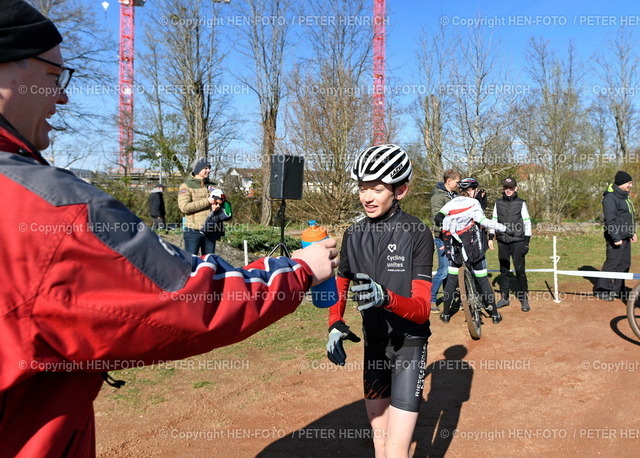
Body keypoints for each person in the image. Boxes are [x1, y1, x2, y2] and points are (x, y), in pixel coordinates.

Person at [0, 1, 338, 455]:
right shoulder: (48, 206)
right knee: (198, 261)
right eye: (52, 76)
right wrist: (295, 270)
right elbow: (184, 295)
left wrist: (222, 201)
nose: (62, 96)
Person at [326, 144, 434, 457]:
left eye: (377, 188)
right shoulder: (354, 234)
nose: (367, 197)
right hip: (374, 345)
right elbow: (341, 283)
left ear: (400, 190)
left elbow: (422, 309)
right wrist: (335, 321)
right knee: (380, 445)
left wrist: (385, 297)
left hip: (408, 347)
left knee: (396, 451)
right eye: (362, 188)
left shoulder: (417, 232)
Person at [434, 177, 513, 324]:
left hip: (456, 248)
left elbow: (438, 218)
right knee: (482, 279)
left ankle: (445, 314)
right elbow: (483, 222)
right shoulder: (474, 202)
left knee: (451, 280)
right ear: (471, 190)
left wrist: (452, 225)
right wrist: (505, 228)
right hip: (474, 249)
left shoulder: (451, 202)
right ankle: (495, 315)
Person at [489, 177, 533, 312]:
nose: (508, 190)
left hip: (517, 241)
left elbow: (527, 222)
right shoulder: (498, 202)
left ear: (516, 188)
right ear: (503, 189)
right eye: (506, 188)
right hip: (502, 241)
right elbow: (494, 220)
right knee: (504, 270)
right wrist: (491, 237)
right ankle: (504, 298)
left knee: (520, 271)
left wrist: (526, 242)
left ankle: (524, 299)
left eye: (511, 188)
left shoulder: (521, 203)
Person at [594, 171, 637, 301]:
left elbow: (628, 217)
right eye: (629, 183)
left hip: (625, 236)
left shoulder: (625, 197)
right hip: (616, 237)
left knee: (624, 264)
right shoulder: (610, 198)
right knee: (612, 264)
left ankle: (618, 289)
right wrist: (616, 237)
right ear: (621, 183)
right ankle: (602, 290)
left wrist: (632, 232)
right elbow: (610, 220)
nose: (631, 185)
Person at [430, 169, 461, 314]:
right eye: (457, 182)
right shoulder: (438, 197)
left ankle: (449, 298)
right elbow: (437, 217)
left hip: (455, 237)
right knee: (442, 271)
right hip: (442, 237)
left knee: (451, 271)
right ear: (449, 181)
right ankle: (431, 299)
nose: (458, 184)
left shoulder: (455, 195)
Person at [178, 157, 218, 255]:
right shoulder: (185, 186)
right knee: (191, 261)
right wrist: (207, 201)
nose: (209, 170)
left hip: (210, 230)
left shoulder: (213, 186)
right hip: (193, 231)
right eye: (206, 168)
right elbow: (184, 207)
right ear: (198, 170)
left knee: (210, 261)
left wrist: (218, 206)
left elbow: (220, 202)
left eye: (209, 168)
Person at [201, 187, 232, 253]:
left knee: (209, 255)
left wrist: (214, 211)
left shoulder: (221, 209)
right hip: (200, 229)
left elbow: (209, 225)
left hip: (210, 231)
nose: (218, 204)